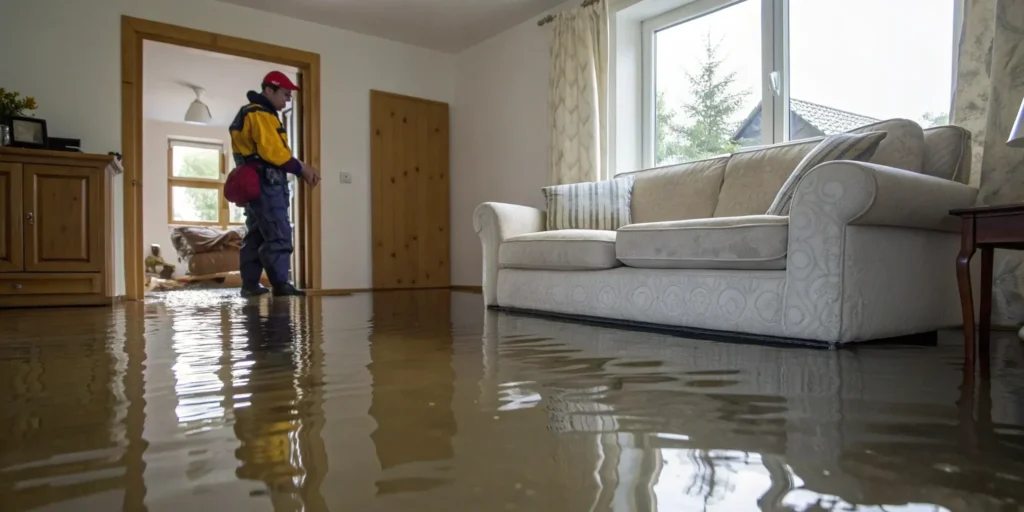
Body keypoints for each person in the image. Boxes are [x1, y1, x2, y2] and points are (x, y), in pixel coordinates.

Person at [229, 71, 320, 297]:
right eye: (285, 94)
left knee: (257, 233)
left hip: (255, 183)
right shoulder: (260, 114)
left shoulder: (256, 113)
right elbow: (274, 153)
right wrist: (302, 168)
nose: (288, 100)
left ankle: (249, 285)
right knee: (279, 232)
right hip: (265, 183)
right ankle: (280, 284)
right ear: (269, 90)